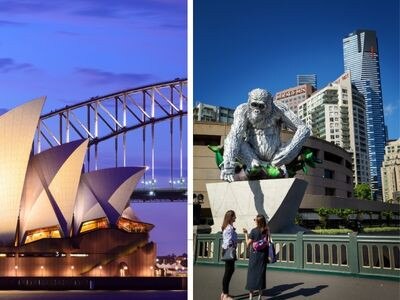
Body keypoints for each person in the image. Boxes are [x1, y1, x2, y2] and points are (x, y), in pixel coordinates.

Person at [243, 214, 270, 300]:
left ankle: (251, 297)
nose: (254, 220)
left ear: (257, 221)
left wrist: (246, 233)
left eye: (255, 219)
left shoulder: (254, 231)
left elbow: (248, 244)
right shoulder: (266, 230)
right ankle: (259, 296)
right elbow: (268, 242)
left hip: (254, 255)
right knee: (261, 275)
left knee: (252, 275)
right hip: (263, 256)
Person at [221, 210, 238, 300]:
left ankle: (224, 293)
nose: (235, 218)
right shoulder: (229, 228)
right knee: (228, 272)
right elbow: (228, 241)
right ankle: (225, 295)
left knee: (229, 271)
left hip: (228, 250)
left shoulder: (229, 227)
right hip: (229, 250)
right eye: (234, 216)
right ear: (230, 217)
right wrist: (234, 245)